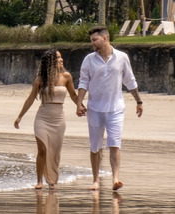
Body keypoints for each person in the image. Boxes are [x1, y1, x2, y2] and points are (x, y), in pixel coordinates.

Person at [75, 26, 142, 191]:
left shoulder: (121, 57)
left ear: (105, 38)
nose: (92, 43)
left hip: (116, 108)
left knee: (114, 143)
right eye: (91, 41)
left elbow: (130, 81)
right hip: (95, 109)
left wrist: (139, 101)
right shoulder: (89, 60)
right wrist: (78, 103)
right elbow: (83, 82)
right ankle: (96, 180)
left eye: (94, 40)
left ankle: (115, 178)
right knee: (95, 146)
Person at [14, 48, 80, 189]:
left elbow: (74, 95)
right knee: (42, 150)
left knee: (55, 151)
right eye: (57, 58)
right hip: (42, 118)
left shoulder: (66, 77)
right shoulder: (40, 79)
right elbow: (31, 98)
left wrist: (81, 106)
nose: (61, 60)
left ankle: (52, 180)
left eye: (61, 57)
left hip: (58, 118)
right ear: (50, 61)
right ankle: (39, 181)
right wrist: (20, 116)